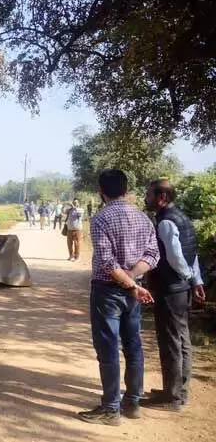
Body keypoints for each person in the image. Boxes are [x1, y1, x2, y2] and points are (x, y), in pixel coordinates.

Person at [78, 169, 159, 426]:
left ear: (101, 191)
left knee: (108, 348)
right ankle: (132, 402)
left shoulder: (101, 219)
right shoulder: (144, 219)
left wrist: (128, 282)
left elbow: (106, 262)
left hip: (108, 291)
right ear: (125, 189)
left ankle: (111, 408)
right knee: (133, 345)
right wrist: (134, 279)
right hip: (132, 291)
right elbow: (153, 254)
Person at [142, 179, 206, 412]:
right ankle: (178, 390)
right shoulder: (181, 217)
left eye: (149, 194)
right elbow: (192, 253)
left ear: (162, 198)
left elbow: (176, 257)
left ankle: (173, 398)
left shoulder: (166, 222)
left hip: (171, 290)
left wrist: (187, 276)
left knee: (171, 343)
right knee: (182, 340)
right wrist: (195, 280)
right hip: (181, 289)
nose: (146, 198)